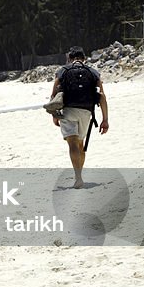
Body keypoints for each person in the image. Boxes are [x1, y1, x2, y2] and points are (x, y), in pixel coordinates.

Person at [50, 46, 109, 188]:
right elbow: (101, 96)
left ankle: (78, 178)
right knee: (80, 144)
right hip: (86, 111)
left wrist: (54, 115)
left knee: (72, 143)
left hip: (68, 110)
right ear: (84, 59)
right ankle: (79, 175)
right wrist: (105, 119)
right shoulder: (93, 72)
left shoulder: (62, 71)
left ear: (69, 58)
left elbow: (53, 94)